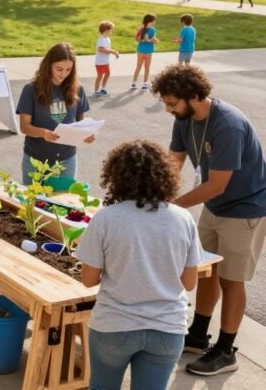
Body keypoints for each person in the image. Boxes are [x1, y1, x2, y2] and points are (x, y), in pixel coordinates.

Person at [151, 65, 266, 377]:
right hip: (214, 205)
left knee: (231, 278)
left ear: (194, 96)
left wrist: (171, 207)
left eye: (172, 103)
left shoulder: (227, 126)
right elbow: (173, 164)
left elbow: (218, 184)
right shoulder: (184, 119)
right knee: (205, 270)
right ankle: (199, 334)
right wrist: (154, 195)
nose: (168, 108)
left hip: (245, 209)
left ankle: (227, 350)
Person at [75, 140, 202, 390]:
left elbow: (88, 280)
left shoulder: (106, 218)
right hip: (167, 328)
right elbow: (189, 282)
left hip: (114, 325)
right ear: (166, 176)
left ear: (116, 176)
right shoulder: (183, 218)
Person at [16, 43, 93, 183]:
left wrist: (86, 135)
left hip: (67, 159)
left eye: (68, 70)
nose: (63, 74)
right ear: (48, 65)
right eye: (59, 69)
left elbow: (81, 123)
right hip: (36, 160)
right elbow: (24, 127)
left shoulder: (78, 89)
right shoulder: (30, 89)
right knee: (33, 203)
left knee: (64, 202)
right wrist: (43, 133)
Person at [93, 21, 120, 97]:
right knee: (100, 75)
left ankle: (102, 88)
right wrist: (113, 52)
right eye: (111, 29)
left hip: (105, 61)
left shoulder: (107, 38)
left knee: (107, 73)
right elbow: (101, 49)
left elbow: (107, 49)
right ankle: (96, 91)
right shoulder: (101, 39)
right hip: (100, 62)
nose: (112, 31)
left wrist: (112, 51)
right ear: (106, 30)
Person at [131, 14, 158, 90]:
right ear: (151, 21)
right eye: (154, 20)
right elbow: (154, 40)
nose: (155, 22)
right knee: (147, 67)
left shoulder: (141, 29)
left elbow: (137, 38)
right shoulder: (152, 30)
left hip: (140, 50)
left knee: (138, 66)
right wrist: (153, 41)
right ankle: (145, 83)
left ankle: (134, 83)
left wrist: (145, 39)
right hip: (148, 51)